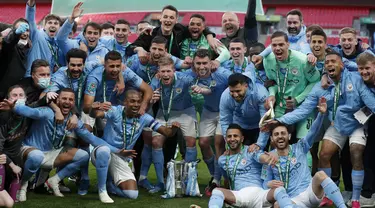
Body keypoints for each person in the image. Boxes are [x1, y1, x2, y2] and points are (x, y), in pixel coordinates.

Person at [7, 88, 132, 201]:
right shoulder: (47, 112)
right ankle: (23, 185)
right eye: (64, 98)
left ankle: (54, 181)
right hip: (30, 149)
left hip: (52, 152)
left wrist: (117, 151)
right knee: (36, 156)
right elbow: (30, 112)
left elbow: (92, 139)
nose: (67, 102)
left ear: (73, 103)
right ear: (58, 100)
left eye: (70, 99)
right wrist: (15, 106)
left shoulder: (74, 120)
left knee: (83, 156)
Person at [89, 89, 180, 203]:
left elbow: (167, 133)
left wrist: (174, 129)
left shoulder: (144, 118)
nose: (136, 104)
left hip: (121, 158)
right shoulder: (115, 111)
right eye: (132, 101)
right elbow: (96, 114)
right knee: (104, 151)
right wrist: (93, 109)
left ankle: (110, 186)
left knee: (132, 194)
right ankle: (102, 190)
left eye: (138, 101)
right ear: (125, 102)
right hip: (104, 152)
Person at [262, 97, 346, 208]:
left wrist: (321, 115)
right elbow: (263, 185)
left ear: (289, 136)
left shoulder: (300, 147)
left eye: (283, 133)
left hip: (309, 193)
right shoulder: (268, 157)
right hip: (290, 200)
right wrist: (268, 184)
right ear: (272, 139)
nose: (280, 137)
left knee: (320, 175)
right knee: (278, 205)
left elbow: (313, 131)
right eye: (276, 135)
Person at [143, 56, 202, 193]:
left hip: (186, 112)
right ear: (158, 72)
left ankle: (189, 180)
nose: (165, 74)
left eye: (168, 71)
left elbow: (199, 79)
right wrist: (152, 100)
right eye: (163, 71)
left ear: (173, 71)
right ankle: (160, 182)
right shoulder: (155, 81)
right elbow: (147, 101)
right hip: (164, 113)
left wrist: (198, 88)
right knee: (156, 141)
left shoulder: (184, 79)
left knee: (191, 142)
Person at [208, 124, 295, 208]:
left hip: (260, 193)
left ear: (242, 139)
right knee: (216, 192)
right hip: (240, 195)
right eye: (229, 136)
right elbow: (227, 179)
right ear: (225, 139)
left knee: (279, 190)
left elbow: (262, 158)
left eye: (235, 136)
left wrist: (269, 157)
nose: (232, 139)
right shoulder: (222, 160)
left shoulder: (251, 150)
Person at [185, 49, 231, 196]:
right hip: (208, 111)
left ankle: (217, 180)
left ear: (211, 63)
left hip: (225, 112)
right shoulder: (190, 75)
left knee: (218, 142)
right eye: (198, 63)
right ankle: (214, 175)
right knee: (203, 143)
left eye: (205, 63)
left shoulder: (222, 74)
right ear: (193, 63)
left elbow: (240, 81)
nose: (201, 66)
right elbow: (174, 77)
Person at [263, 31, 320, 140]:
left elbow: (316, 82)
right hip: (281, 107)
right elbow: (272, 82)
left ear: (288, 45)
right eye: (274, 45)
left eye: (281, 44)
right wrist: (272, 94)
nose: (277, 48)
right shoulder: (268, 60)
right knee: (278, 142)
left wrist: (298, 99)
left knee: (304, 143)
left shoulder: (302, 60)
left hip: (302, 107)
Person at [126, 5, 218, 59]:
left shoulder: (180, 30)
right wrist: (139, 49)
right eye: (165, 17)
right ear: (160, 18)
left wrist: (210, 36)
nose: (168, 20)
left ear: (176, 20)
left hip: (176, 70)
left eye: (171, 18)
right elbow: (129, 48)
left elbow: (197, 28)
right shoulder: (150, 34)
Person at [83, 51, 152, 114]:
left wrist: (142, 108)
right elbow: (86, 107)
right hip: (98, 111)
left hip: (116, 111)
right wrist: (99, 105)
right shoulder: (95, 77)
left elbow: (148, 89)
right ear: (104, 66)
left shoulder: (126, 72)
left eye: (118, 66)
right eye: (112, 66)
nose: (115, 69)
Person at [219, 73, 269, 150]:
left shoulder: (260, 93)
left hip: (259, 126)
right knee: (239, 156)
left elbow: (265, 122)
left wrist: (259, 144)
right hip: (239, 126)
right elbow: (225, 121)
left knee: (259, 154)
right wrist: (228, 143)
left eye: (238, 91)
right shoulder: (225, 96)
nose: (235, 95)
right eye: (232, 91)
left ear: (246, 85)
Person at [57, 2, 109, 72]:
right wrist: (71, 19)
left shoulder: (104, 51)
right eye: (89, 33)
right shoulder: (74, 45)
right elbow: (60, 39)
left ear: (99, 35)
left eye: (95, 33)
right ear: (84, 34)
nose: (92, 36)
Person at [25, 0, 65, 76]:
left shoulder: (57, 44)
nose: (53, 25)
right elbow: (30, 19)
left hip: (47, 79)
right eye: (50, 23)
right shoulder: (37, 35)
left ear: (59, 27)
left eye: (56, 23)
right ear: (44, 26)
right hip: (31, 78)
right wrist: (31, 4)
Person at [357, 52, 375, 206]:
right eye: (361, 69)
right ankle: (368, 194)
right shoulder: (362, 81)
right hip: (371, 118)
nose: (364, 72)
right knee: (368, 156)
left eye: (367, 68)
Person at [0, 19, 30, 99]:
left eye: (27, 30)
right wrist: (16, 34)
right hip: (3, 93)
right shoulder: (10, 47)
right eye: (20, 29)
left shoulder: (29, 47)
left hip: (18, 94)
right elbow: (8, 43)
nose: (24, 32)